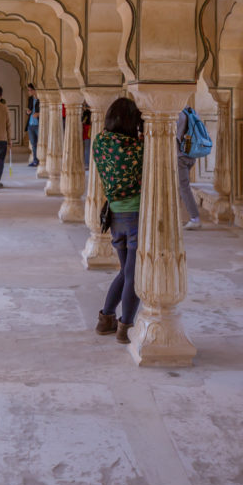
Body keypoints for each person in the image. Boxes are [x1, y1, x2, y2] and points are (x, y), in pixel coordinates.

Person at [91, 97, 144, 344]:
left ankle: (106, 319)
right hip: (135, 215)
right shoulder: (138, 148)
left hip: (114, 216)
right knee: (134, 276)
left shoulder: (100, 142)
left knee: (126, 271)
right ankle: (125, 326)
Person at [176, 107, 204, 230]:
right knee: (180, 187)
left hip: (180, 156)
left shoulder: (178, 115)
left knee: (183, 187)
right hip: (191, 154)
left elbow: (174, 136)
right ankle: (175, 216)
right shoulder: (191, 112)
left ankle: (195, 218)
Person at [25, 83, 41, 166]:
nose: (29, 92)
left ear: (35, 90)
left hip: (39, 124)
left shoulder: (41, 99)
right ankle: (35, 160)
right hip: (31, 124)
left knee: (40, 143)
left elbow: (46, 110)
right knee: (33, 144)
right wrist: (27, 112)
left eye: (30, 90)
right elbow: (28, 109)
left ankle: (42, 160)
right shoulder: (30, 99)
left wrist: (38, 114)